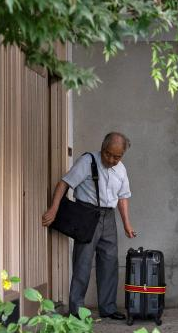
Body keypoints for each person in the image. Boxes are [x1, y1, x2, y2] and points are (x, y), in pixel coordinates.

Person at [42, 131, 137, 319]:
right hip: (86, 215)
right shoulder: (87, 161)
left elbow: (123, 197)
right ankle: (77, 310)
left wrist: (127, 224)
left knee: (109, 262)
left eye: (117, 157)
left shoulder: (121, 169)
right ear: (102, 147)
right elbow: (64, 183)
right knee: (82, 263)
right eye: (108, 154)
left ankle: (108, 308)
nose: (111, 159)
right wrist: (53, 209)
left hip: (109, 218)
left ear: (122, 155)